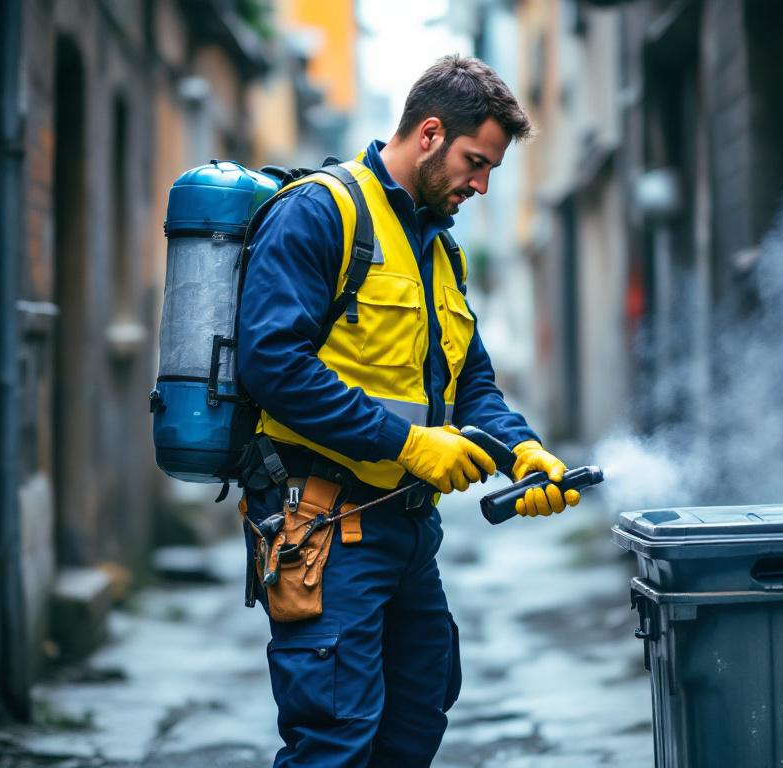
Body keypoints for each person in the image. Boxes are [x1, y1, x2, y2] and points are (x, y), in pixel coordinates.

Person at [236, 55, 580, 767]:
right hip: (324, 528)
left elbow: (472, 383)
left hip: (407, 534)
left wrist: (524, 452)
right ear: (429, 133)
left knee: (414, 724)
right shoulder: (321, 212)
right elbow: (273, 365)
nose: (482, 185)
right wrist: (410, 445)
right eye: (475, 162)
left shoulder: (437, 250)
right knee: (335, 744)